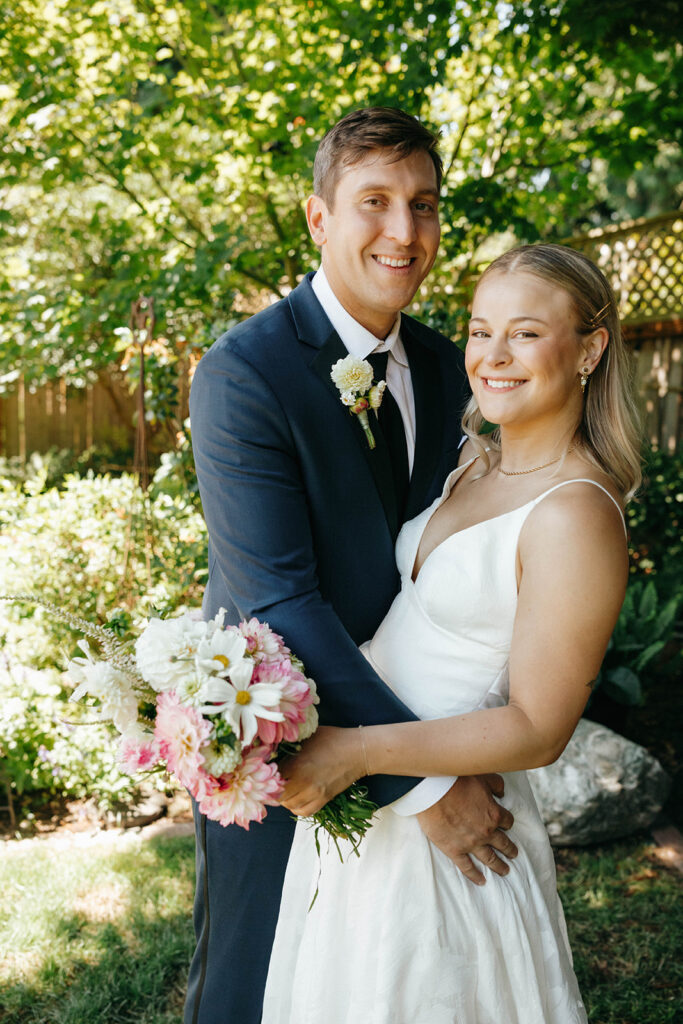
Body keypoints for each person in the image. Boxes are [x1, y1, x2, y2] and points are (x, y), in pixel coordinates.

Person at [188, 107, 519, 1024]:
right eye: (373, 201)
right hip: (290, 746)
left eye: (424, 204)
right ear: (318, 217)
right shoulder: (243, 374)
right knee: (257, 986)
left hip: (428, 720)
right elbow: (280, 598)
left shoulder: (455, 369)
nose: (404, 232)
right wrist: (427, 787)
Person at [264, 243, 642, 1023]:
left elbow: (538, 728)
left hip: (452, 831)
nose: (491, 356)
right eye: (478, 330)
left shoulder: (575, 513)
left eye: (525, 333)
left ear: (589, 349)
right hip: (379, 808)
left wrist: (360, 751)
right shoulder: (471, 463)